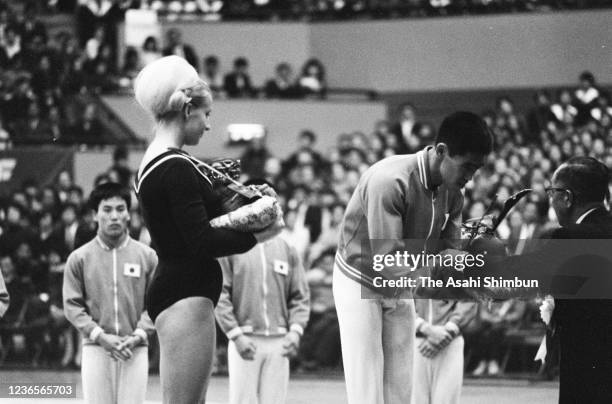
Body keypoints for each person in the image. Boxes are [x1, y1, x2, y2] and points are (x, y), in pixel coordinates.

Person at [132, 56, 282, 404]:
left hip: (181, 289)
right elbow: (200, 240)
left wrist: (244, 205)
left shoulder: (161, 160)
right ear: (187, 109)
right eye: (207, 114)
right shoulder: (175, 166)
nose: (209, 125)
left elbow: (194, 224)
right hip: (185, 292)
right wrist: (260, 233)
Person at [333, 111, 492, 404]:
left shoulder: (455, 191)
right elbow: (387, 262)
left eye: (478, 169)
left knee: (401, 391)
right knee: (368, 391)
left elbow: (450, 252)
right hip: (360, 279)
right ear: (442, 151)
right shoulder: (389, 180)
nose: (471, 176)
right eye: (467, 166)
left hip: (402, 282)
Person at [440, 156, 611, 403]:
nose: (550, 200)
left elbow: (523, 272)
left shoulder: (571, 237)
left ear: (567, 197)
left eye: (552, 192)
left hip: (591, 360)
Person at [215, 180, 310, 404]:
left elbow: (300, 295)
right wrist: (235, 336)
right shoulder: (231, 247)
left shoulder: (287, 249)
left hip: (280, 341)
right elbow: (221, 294)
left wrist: (295, 332)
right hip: (245, 340)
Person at [62, 182, 157, 404]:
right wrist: (99, 336)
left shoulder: (148, 256)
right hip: (96, 348)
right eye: (107, 210)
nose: (114, 216)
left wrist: (138, 335)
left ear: (128, 214)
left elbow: (156, 303)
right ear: (95, 215)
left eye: (120, 209)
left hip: (135, 349)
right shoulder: (79, 258)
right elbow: (72, 305)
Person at [412, 298, 477, 403]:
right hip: (415, 340)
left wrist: (449, 330)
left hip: (450, 342)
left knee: (445, 400)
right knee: (415, 400)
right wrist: (424, 328)